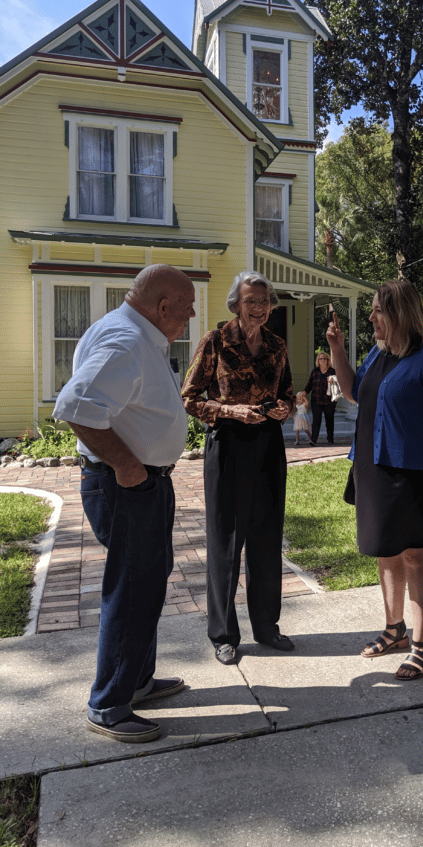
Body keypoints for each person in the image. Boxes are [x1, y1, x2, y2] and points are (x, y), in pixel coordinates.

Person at [53, 264, 196, 744]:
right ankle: (109, 704)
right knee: (133, 587)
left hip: (139, 483)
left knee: (147, 581)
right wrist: (127, 466)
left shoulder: (129, 332)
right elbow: (75, 407)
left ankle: (136, 681)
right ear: (161, 306)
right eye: (187, 305)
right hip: (126, 485)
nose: (192, 313)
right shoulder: (126, 342)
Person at [327, 280, 423, 680]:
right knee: (386, 551)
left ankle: (422, 644)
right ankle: (395, 630)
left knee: (415, 554)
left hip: (412, 474)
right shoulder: (378, 353)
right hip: (372, 468)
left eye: (378, 311)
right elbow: (353, 392)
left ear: (400, 314)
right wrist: (338, 351)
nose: (371, 317)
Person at [181, 271, 295, 666]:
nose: (259, 307)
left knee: (266, 537)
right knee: (227, 541)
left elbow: (287, 393)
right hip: (228, 444)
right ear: (236, 303)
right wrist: (229, 410)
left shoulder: (278, 345)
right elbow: (189, 397)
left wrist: (286, 408)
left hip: (268, 444)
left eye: (264, 300)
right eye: (251, 300)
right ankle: (224, 635)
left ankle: (267, 627)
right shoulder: (215, 341)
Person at [304, 352, 336, 444]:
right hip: (316, 400)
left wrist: (333, 381)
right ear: (318, 360)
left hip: (329, 401)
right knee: (316, 420)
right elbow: (309, 384)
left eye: (324, 358)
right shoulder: (315, 371)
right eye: (320, 359)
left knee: (329, 420)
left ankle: (330, 439)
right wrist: (304, 392)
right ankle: (313, 440)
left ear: (328, 360)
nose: (322, 360)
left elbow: (337, 384)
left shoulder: (332, 371)